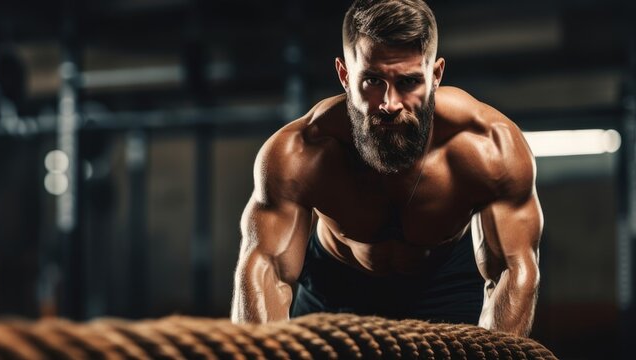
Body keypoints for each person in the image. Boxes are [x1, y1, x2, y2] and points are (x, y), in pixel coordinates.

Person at [230, 0, 543, 337]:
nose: (389, 104)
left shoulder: (487, 146)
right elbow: (267, 270)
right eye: (373, 81)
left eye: (408, 82)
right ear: (345, 76)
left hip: (445, 287)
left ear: (435, 76)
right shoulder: (301, 152)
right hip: (336, 288)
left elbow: (512, 271)